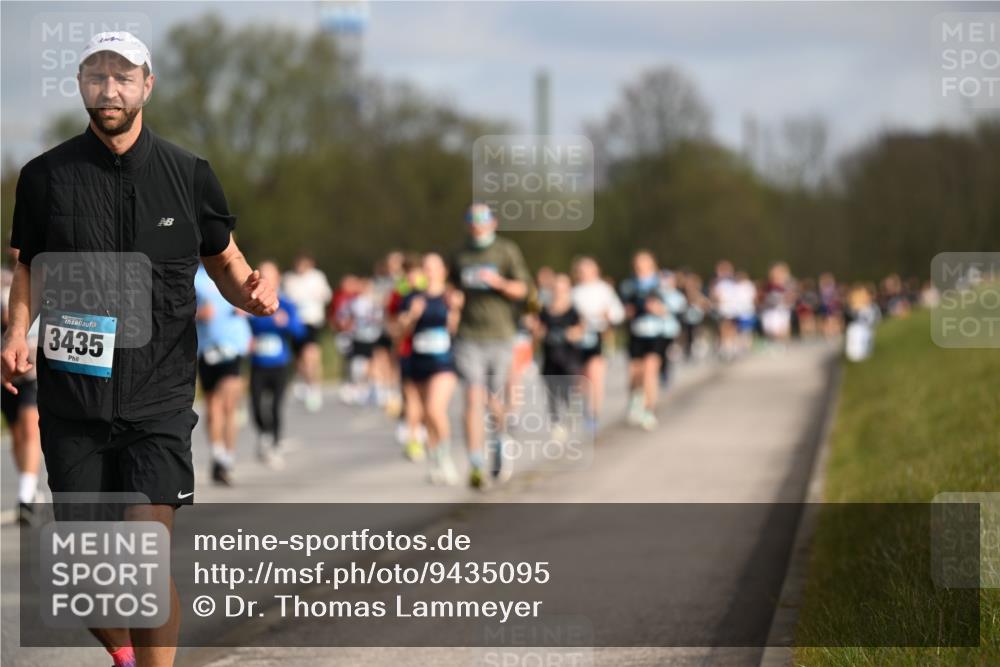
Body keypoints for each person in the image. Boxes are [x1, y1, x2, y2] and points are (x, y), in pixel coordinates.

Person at [0, 32, 277, 667]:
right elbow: (31, 269)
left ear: (147, 85)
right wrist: (17, 333)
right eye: (97, 77)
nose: (110, 89)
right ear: (82, 87)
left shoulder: (189, 175)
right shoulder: (45, 177)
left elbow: (227, 263)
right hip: (74, 398)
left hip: (158, 398)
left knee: (141, 558)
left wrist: (251, 296)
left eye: (123, 77)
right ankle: (126, 657)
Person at [448, 203, 532, 489]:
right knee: (472, 396)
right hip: (468, 335)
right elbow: (450, 287)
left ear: (494, 222)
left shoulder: (506, 251)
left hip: (501, 334)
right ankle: (475, 462)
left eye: (482, 218)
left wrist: (498, 283)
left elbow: (523, 289)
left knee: (495, 399)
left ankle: (499, 439)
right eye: (471, 218)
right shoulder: (459, 254)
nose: (477, 223)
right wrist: (453, 299)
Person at [396, 253, 462, 484]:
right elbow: (401, 332)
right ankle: (435, 459)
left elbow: (458, 329)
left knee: (435, 409)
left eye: (435, 267)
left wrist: (455, 311)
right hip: (418, 360)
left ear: (444, 270)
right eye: (426, 267)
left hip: (444, 362)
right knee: (425, 416)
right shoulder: (413, 298)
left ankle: (445, 458)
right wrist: (411, 316)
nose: (430, 271)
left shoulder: (451, 297)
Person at [195, 264, 252, 486]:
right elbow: (176, 310)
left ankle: (228, 458)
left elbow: (255, 304)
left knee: (228, 405)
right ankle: (218, 454)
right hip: (207, 348)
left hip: (233, 345)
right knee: (213, 406)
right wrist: (200, 314)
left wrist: (246, 308)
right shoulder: (193, 275)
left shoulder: (236, 269)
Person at [248, 261, 306, 469]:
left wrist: (286, 323)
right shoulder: (250, 301)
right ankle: (264, 433)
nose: (267, 279)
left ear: (278, 279)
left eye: (271, 275)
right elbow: (247, 325)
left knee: (275, 406)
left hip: (280, 363)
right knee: (255, 404)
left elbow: (299, 331)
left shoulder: (287, 304)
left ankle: (274, 442)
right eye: (263, 275)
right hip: (258, 362)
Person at [1, 250, 42, 524]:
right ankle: (28, 485)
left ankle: (26, 498)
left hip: (34, 369)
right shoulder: (3, 281)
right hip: (6, 370)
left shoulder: (48, 277)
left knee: (30, 426)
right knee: (16, 434)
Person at [570, 256, 624, 433]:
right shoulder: (574, 292)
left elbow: (617, 312)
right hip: (579, 339)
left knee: (595, 376)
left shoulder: (604, 289)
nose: (585, 274)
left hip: (598, 336)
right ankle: (583, 407)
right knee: (580, 379)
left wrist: (608, 316)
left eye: (588, 270)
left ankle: (594, 414)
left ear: (596, 271)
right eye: (581, 270)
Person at [619, 250, 669, 430]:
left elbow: (672, 306)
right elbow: (623, 309)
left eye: (645, 263)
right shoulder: (628, 285)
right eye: (638, 263)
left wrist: (659, 309)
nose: (641, 267)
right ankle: (635, 398)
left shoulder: (662, 283)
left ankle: (649, 411)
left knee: (650, 372)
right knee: (635, 372)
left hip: (656, 333)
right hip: (636, 333)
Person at [387, 253, 428, 461]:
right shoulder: (400, 293)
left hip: (431, 352)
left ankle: (423, 428)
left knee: (427, 398)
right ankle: (414, 435)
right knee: (410, 394)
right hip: (408, 349)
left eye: (416, 272)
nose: (412, 277)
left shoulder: (431, 289)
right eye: (409, 272)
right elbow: (392, 320)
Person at [535, 273, 584, 440]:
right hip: (550, 356)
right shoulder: (545, 310)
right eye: (556, 288)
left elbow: (580, 331)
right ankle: (556, 424)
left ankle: (570, 414)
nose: (559, 292)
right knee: (551, 392)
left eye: (562, 288)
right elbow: (538, 331)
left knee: (567, 390)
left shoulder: (573, 310)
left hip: (569, 358)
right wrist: (540, 332)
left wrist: (568, 334)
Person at [282, 252, 332, 412]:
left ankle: (314, 388)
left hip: (312, 320)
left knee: (311, 355)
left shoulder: (317, 277)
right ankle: (304, 380)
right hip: (296, 322)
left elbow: (326, 296)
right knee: (300, 359)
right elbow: (285, 298)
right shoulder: (289, 278)